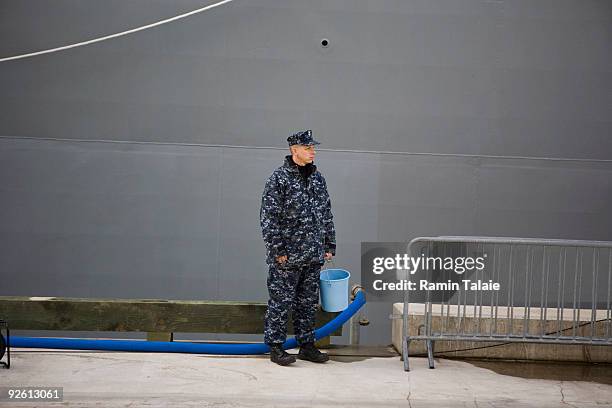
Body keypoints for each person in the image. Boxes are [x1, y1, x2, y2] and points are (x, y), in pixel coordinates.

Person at [260, 129, 336, 366]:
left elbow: (326, 212)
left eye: (313, 147)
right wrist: (278, 251)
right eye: (308, 148)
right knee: (280, 302)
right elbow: (268, 218)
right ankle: (275, 347)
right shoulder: (279, 179)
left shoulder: (317, 178)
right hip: (288, 257)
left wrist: (328, 243)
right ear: (295, 150)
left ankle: (306, 345)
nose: (313, 151)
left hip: (312, 255)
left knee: (307, 304)